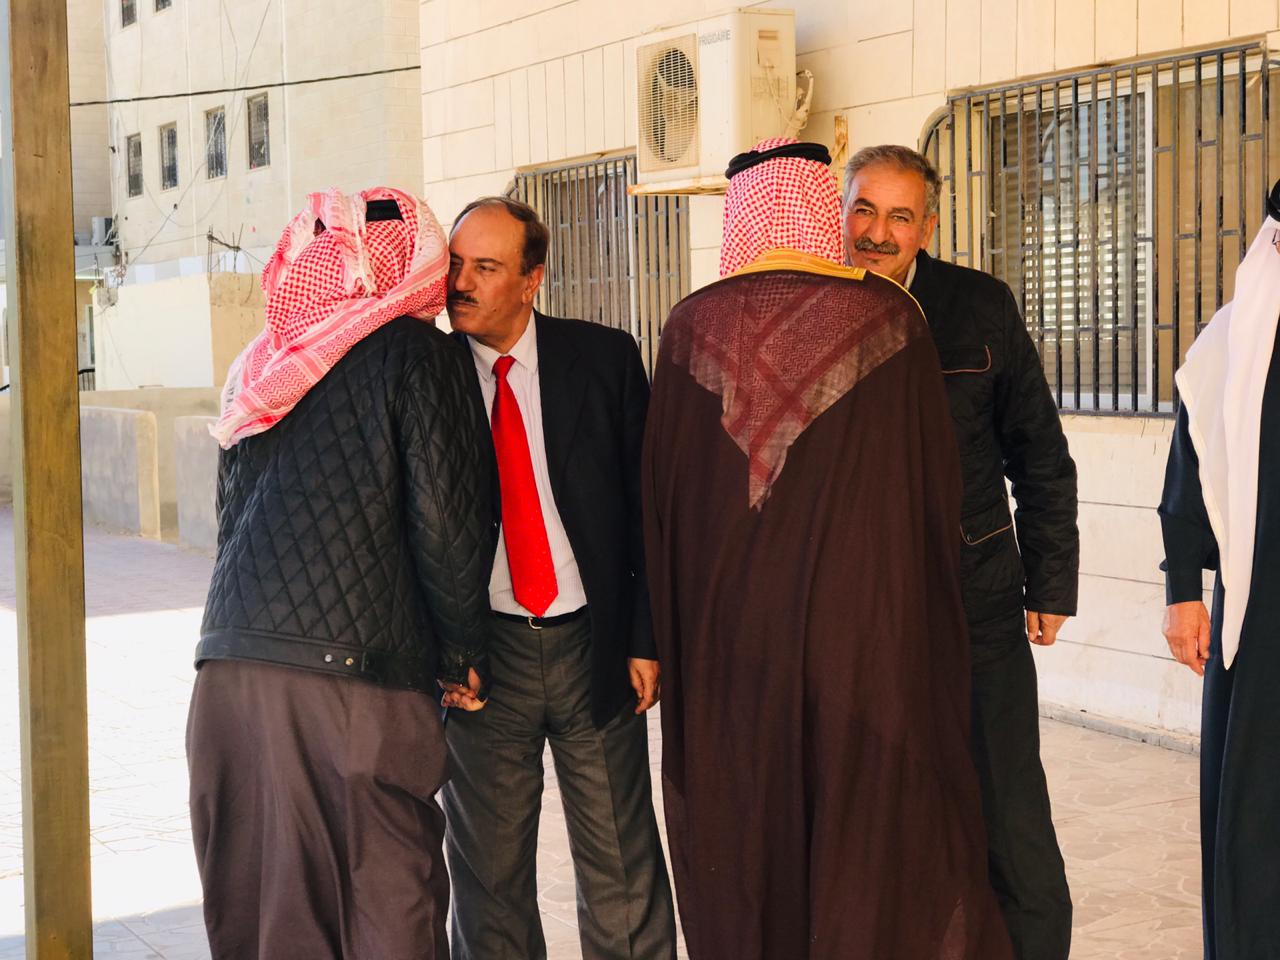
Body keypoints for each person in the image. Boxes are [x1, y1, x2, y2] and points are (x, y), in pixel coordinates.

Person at [642, 137, 1013, 960]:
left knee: (750, 812)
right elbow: (931, 492)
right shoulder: (890, 320)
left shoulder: (692, 325)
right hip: (864, 634)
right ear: (822, 207)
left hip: (733, 641)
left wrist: (669, 636)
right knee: (865, 812)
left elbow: (664, 502)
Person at [187, 187, 494, 958]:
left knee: (271, 916)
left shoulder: (261, 363)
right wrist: (463, 653)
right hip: (356, 687)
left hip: (227, 680)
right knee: (388, 905)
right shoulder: (419, 354)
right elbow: (447, 522)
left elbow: (229, 520)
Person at [843, 144, 1078, 960]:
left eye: (899, 216)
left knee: (1009, 814)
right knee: (887, 818)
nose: (877, 232)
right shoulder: (813, 309)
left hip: (976, 602)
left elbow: (1039, 453)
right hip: (861, 617)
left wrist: (1050, 582)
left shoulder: (979, 306)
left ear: (929, 227)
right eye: (863, 208)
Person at [441, 195, 676, 960]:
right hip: (484, 659)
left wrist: (645, 635)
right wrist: (443, 653)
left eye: (486, 267)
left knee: (621, 868)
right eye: (455, 264)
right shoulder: (428, 375)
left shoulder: (603, 359)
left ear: (532, 279)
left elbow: (647, 510)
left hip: (592, 645)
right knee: (489, 883)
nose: (461, 283)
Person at [1160, 182, 1280, 960]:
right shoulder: (1236, 340)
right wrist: (1182, 594)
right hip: (1262, 612)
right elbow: (1190, 472)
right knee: (1258, 808)